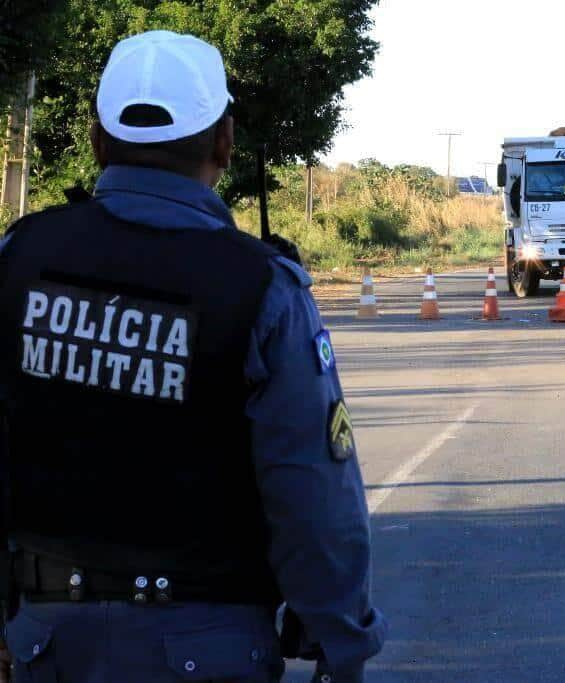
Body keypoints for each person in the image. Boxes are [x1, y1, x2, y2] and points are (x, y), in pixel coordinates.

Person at [0, 30, 385, 682]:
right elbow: (312, 497)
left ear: (96, 140)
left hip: (47, 642)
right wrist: (341, 636)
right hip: (210, 648)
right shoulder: (262, 288)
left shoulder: (18, 258)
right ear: (225, 143)